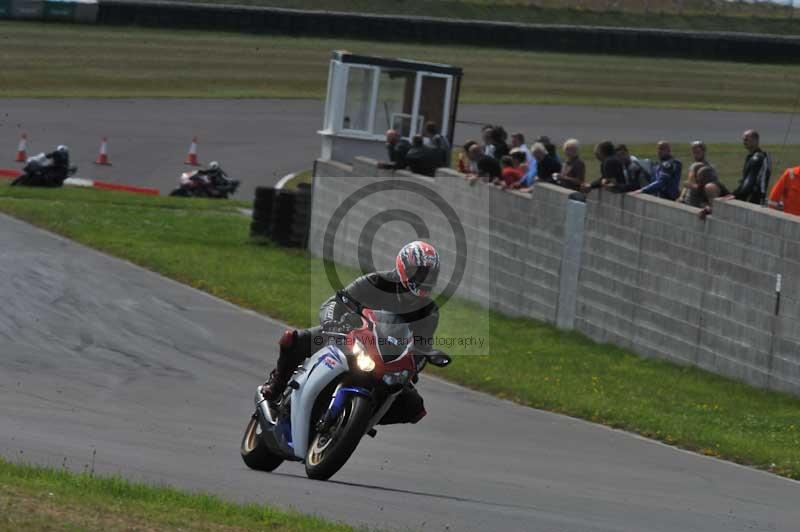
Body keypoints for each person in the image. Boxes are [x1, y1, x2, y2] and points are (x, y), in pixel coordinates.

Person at [261, 241, 442, 425]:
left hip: (386, 360)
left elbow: (422, 347)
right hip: (349, 338)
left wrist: (413, 366)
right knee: (295, 339)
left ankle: (360, 421)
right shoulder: (376, 282)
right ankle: (277, 386)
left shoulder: (430, 311)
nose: (424, 279)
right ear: (404, 267)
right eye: (420, 272)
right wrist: (332, 322)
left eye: (430, 274)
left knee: (414, 407)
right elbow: (335, 302)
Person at [733, 129, 771, 206]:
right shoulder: (750, 157)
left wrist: (736, 195)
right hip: (749, 195)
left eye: (747, 139)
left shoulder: (758, 157)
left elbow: (750, 181)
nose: (744, 141)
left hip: (755, 198)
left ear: (755, 140)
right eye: (743, 139)